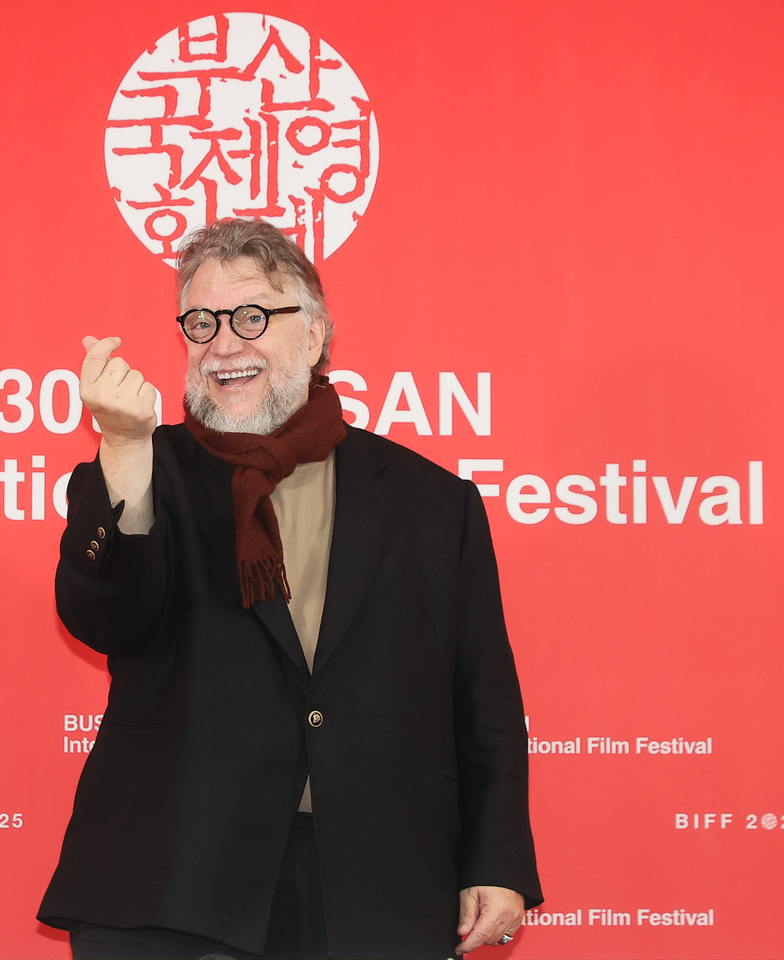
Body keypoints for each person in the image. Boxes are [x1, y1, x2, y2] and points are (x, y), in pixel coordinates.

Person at [38, 218, 542, 959]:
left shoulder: (432, 501)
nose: (223, 344)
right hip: (172, 882)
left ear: (312, 337)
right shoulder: (142, 469)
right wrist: (122, 446)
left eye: (250, 316)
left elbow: (483, 698)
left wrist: (496, 859)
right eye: (202, 322)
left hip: (375, 887)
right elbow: (105, 618)